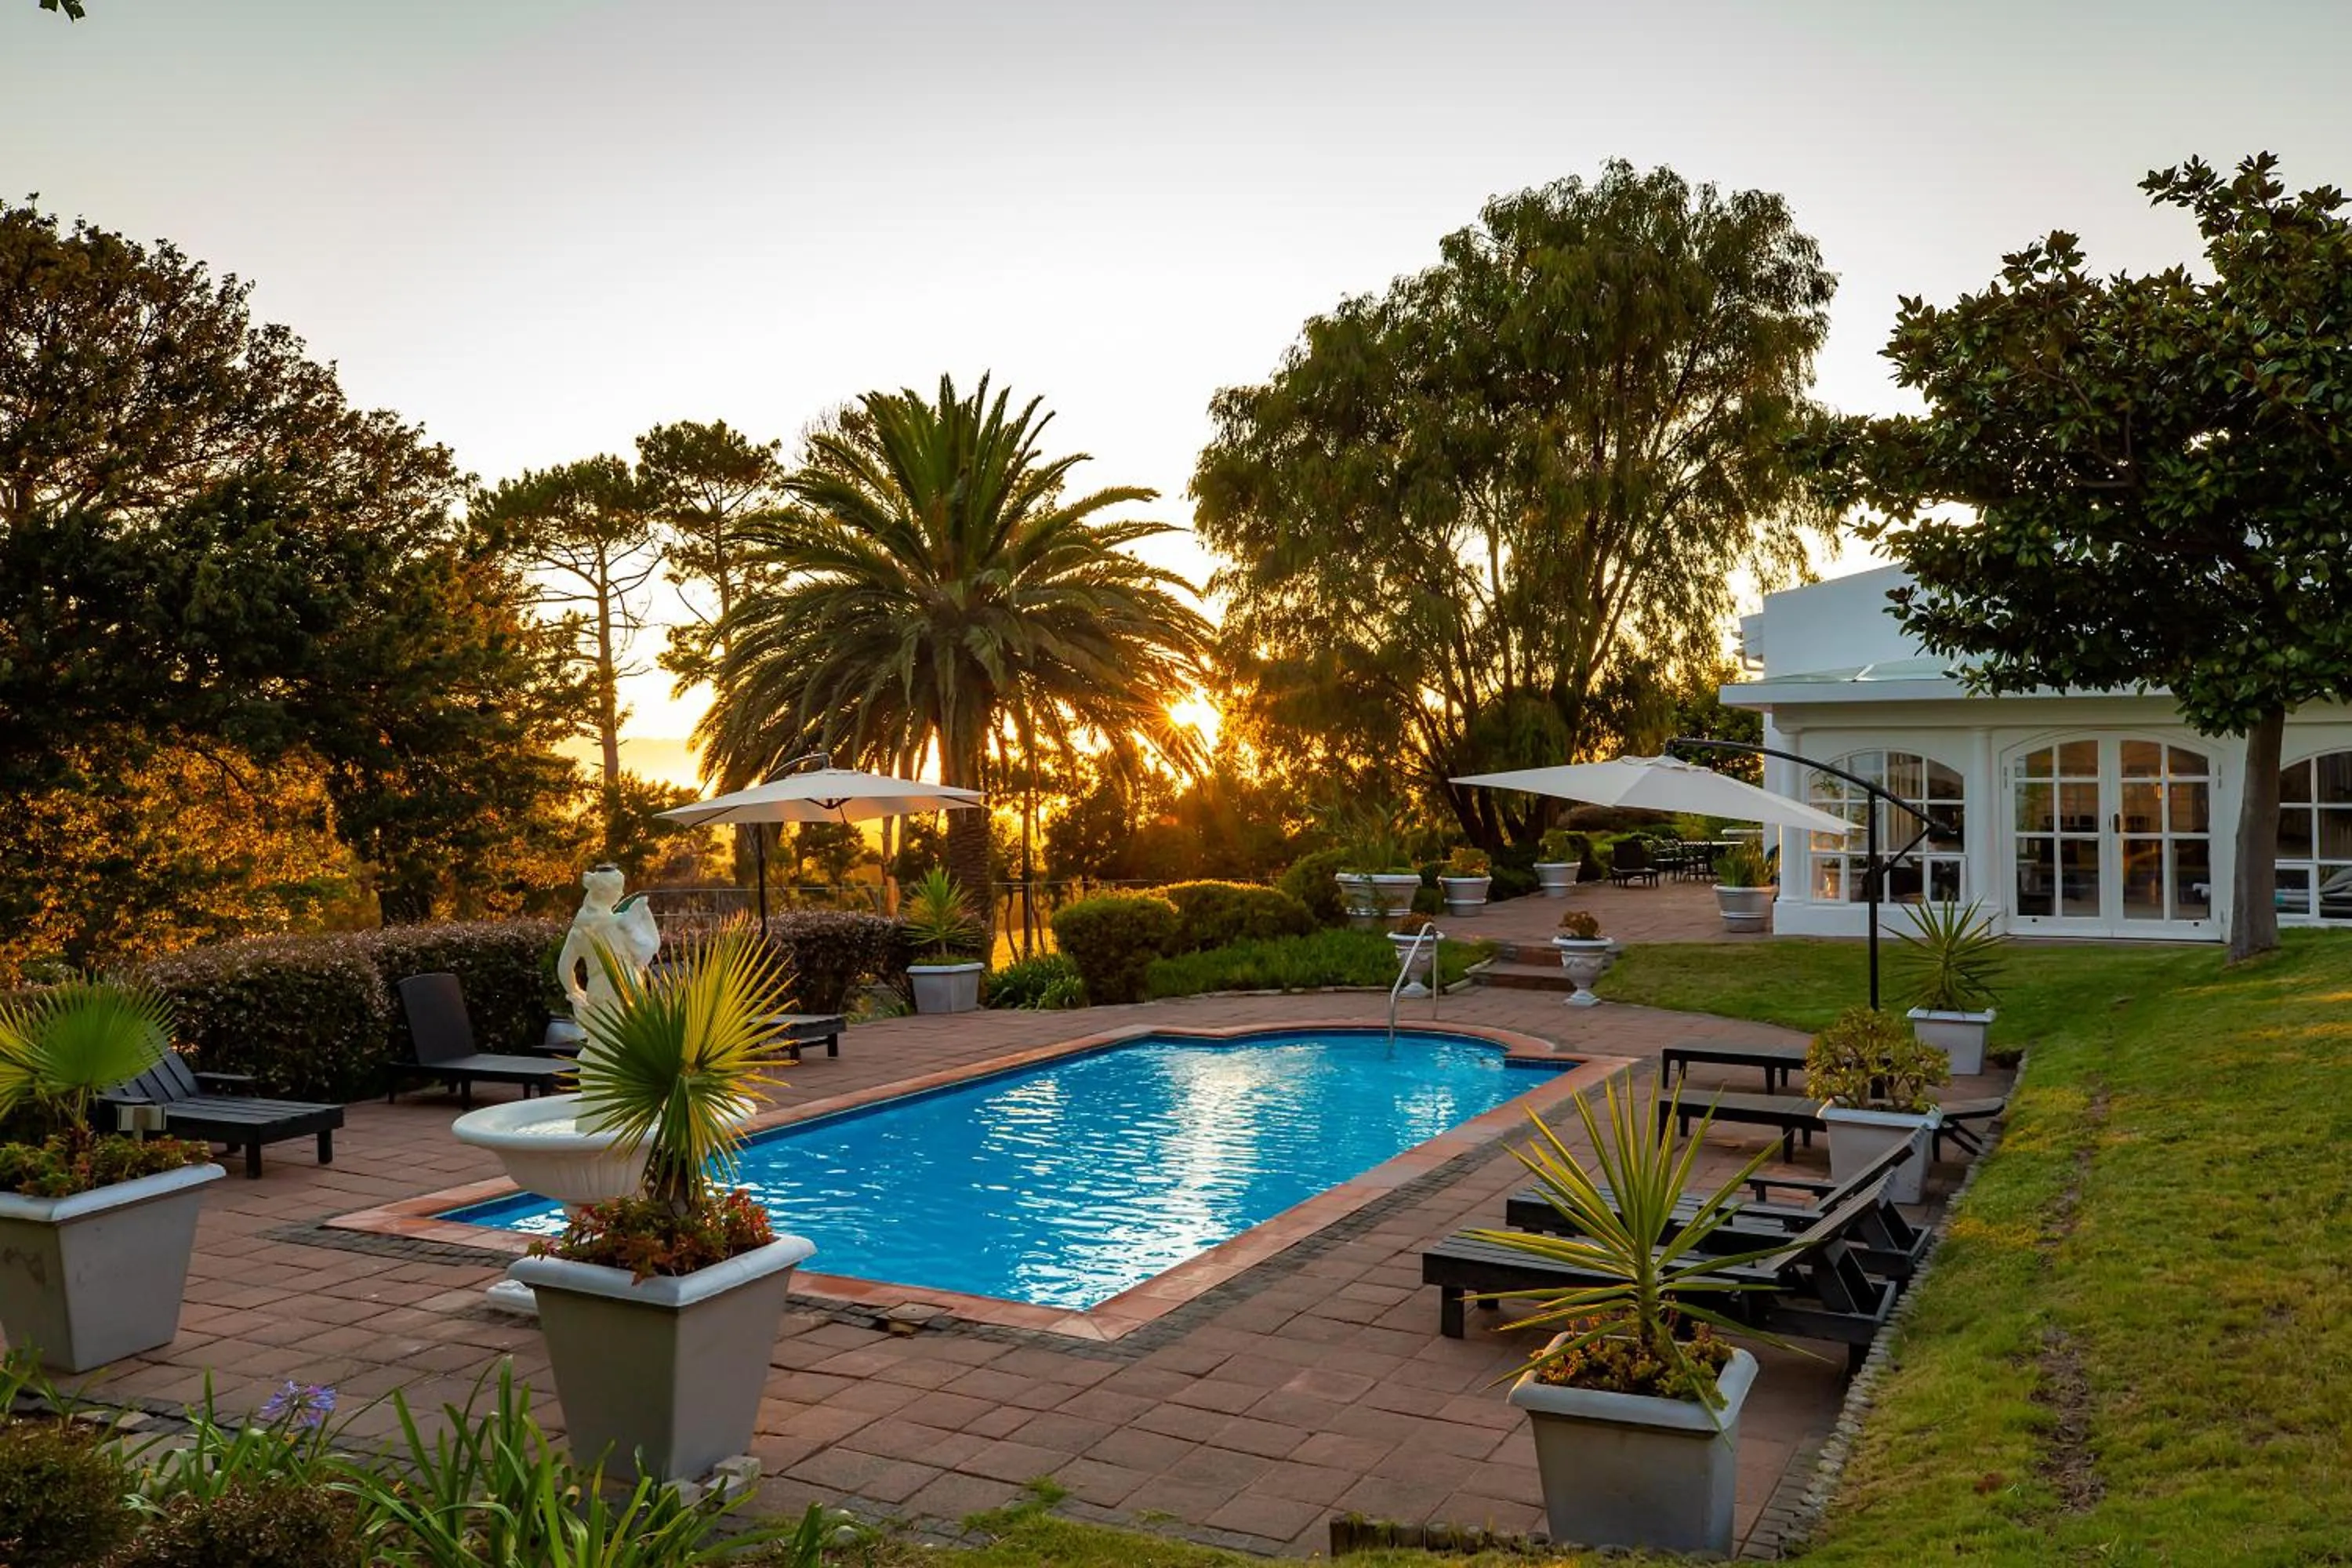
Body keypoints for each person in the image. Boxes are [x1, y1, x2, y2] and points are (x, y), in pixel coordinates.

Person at [555, 863, 662, 1021]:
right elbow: (651, 948)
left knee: (601, 1034)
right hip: (631, 986)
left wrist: (574, 991)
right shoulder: (625, 923)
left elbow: (564, 967)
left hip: (599, 988)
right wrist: (646, 917)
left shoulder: (579, 929)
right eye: (619, 890)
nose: (622, 893)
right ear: (610, 893)